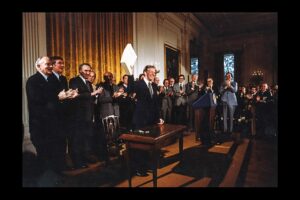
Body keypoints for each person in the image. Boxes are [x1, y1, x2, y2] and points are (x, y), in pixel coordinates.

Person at [26, 56, 75, 182]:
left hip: (55, 124)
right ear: (38, 67)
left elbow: (57, 100)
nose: (49, 66)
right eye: (46, 64)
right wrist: (58, 98)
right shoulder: (33, 81)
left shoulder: (53, 80)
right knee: (44, 155)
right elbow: (37, 102)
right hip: (40, 126)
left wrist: (68, 96)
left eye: (50, 64)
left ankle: (56, 176)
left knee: (55, 153)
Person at [132, 65, 164, 176]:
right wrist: (131, 71)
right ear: (145, 72)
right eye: (151, 72)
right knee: (140, 145)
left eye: (155, 73)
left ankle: (146, 165)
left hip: (151, 120)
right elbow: (130, 89)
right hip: (140, 120)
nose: (153, 74)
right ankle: (139, 169)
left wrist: (159, 117)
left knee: (149, 144)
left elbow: (155, 104)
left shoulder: (154, 85)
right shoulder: (138, 84)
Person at [69, 63, 102, 168]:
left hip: (88, 116)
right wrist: (93, 93)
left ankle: (84, 160)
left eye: (89, 70)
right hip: (78, 117)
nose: (88, 72)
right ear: (80, 71)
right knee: (77, 140)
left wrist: (95, 96)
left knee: (85, 140)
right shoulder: (74, 81)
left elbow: (90, 100)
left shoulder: (87, 83)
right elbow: (75, 96)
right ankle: (78, 163)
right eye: (86, 70)